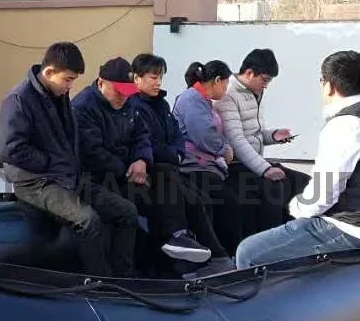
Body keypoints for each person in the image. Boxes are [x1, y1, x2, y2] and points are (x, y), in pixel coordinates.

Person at [235, 50, 360, 268]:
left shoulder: (347, 125)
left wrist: (296, 208)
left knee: (249, 252)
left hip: (352, 230)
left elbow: (321, 196)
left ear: (329, 86)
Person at [0, 42, 138, 277]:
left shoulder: (58, 95)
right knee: (88, 221)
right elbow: (10, 149)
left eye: (73, 80)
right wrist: (51, 163)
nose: (70, 86)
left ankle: (124, 275)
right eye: (68, 79)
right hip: (35, 182)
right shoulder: (18, 99)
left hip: (68, 175)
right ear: (49, 72)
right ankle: (102, 284)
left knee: (127, 212)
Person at [72, 57, 212, 268]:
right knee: (138, 204)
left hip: (128, 168)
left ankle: (178, 238)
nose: (123, 97)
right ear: (101, 83)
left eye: (127, 92)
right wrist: (129, 170)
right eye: (118, 91)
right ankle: (139, 267)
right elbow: (93, 152)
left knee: (171, 178)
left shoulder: (129, 103)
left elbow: (141, 135)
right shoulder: (84, 107)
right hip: (97, 177)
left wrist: (142, 160)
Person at [127, 54, 228, 259]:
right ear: (136, 79)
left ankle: (211, 255)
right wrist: (174, 155)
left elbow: (177, 136)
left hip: (172, 167)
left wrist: (177, 154)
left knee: (200, 200)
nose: (158, 83)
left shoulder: (162, 105)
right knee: (189, 198)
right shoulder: (134, 106)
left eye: (160, 78)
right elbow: (147, 142)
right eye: (152, 78)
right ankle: (192, 246)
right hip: (154, 170)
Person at [214, 49, 308, 235]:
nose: (266, 86)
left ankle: (293, 238)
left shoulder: (255, 91)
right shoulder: (228, 94)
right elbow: (237, 141)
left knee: (304, 183)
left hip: (254, 164)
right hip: (236, 166)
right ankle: (267, 243)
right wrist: (265, 169)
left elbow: (254, 133)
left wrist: (273, 136)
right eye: (264, 80)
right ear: (249, 73)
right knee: (274, 187)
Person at [172, 60, 249, 253]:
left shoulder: (203, 100)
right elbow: (204, 134)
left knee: (248, 191)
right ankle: (226, 254)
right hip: (194, 167)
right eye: (225, 84)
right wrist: (225, 149)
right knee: (229, 202)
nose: (226, 89)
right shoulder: (191, 99)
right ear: (216, 80)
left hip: (211, 165)